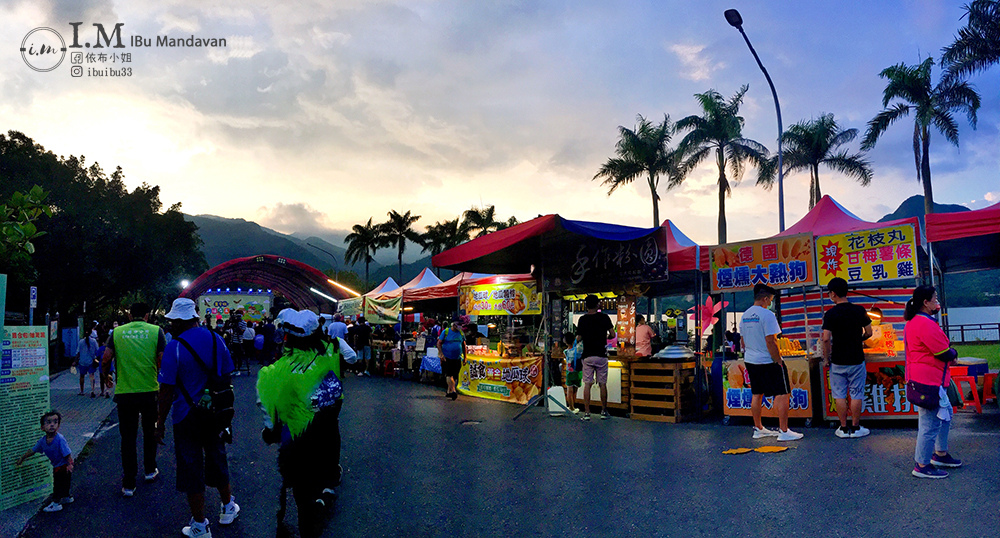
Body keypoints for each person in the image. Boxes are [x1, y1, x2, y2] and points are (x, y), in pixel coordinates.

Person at [257, 309, 358, 537]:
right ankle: (326, 482)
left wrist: (271, 426)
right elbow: (352, 358)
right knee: (331, 437)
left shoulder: (287, 358)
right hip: (329, 407)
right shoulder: (334, 343)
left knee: (298, 470)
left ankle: (301, 501)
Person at [154, 298, 239, 538]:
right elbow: (226, 376)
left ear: (179, 321)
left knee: (191, 466)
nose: (170, 326)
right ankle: (227, 507)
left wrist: (159, 424)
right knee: (217, 456)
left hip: (185, 416)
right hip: (215, 414)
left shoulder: (175, 347)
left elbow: (166, 391)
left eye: (172, 321)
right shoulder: (216, 339)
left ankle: (200, 525)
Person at [101, 302, 166, 497]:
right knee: (149, 433)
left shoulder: (117, 332)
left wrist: (106, 376)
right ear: (147, 315)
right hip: (149, 392)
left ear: (130, 315)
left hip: (125, 394)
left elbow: (106, 358)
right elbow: (162, 359)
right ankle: (149, 470)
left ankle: (128, 483)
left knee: (128, 438)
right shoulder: (157, 331)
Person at [904, 285, 962, 479]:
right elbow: (942, 351)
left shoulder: (916, 321)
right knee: (929, 423)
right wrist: (953, 354)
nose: (937, 301)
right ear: (925, 302)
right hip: (928, 381)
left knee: (944, 415)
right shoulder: (924, 323)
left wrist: (949, 354)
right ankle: (921, 464)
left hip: (928, 379)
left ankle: (940, 454)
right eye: (934, 298)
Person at [739, 284, 803, 441]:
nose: (771, 303)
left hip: (750, 360)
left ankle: (758, 428)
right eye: (771, 300)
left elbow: (742, 341)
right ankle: (784, 430)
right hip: (768, 360)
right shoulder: (767, 315)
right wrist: (778, 360)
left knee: (756, 393)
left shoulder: (745, 315)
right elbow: (771, 341)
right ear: (765, 298)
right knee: (782, 393)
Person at [821, 277, 874, 439]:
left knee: (839, 395)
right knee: (856, 393)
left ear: (833, 294)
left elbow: (825, 338)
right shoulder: (859, 310)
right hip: (857, 359)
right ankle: (856, 428)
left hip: (837, 360)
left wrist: (826, 358)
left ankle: (843, 428)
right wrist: (859, 339)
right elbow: (870, 332)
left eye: (830, 293)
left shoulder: (830, 314)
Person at [17, 411, 74, 512]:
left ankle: (56, 503)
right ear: (42, 427)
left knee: (58, 484)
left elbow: (67, 453)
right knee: (63, 483)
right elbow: (32, 451)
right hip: (57, 465)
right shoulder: (42, 441)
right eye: (48, 422)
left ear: (58, 425)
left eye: (55, 422)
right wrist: (23, 458)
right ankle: (66, 497)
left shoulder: (60, 439)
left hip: (63, 466)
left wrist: (70, 465)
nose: (52, 424)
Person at [576, 295, 615, 421]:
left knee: (587, 384)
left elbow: (578, 338)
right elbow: (612, 334)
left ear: (586, 306)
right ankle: (604, 411)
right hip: (601, 355)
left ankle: (587, 413)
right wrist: (606, 337)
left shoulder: (582, 319)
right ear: (598, 304)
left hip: (587, 355)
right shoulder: (604, 317)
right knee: (602, 384)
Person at [437, 320, 467, 400]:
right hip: (447, 357)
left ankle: (448, 391)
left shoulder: (461, 333)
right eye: (458, 325)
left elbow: (464, 345)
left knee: (455, 375)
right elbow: (439, 343)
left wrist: (465, 357)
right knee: (449, 374)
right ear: (453, 325)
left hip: (457, 357)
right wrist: (441, 354)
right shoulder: (446, 332)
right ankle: (453, 391)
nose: (460, 327)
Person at [77, 326, 100, 397]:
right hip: (91, 361)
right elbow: (97, 351)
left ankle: (81, 391)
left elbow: (78, 352)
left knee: (82, 376)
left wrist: (75, 361)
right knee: (91, 376)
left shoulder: (81, 342)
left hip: (82, 361)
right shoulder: (94, 341)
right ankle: (92, 390)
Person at [562, 332, 581, 414]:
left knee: (569, 390)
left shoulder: (565, 351)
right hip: (578, 372)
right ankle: (574, 406)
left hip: (569, 372)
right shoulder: (578, 350)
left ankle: (571, 407)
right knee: (575, 390)